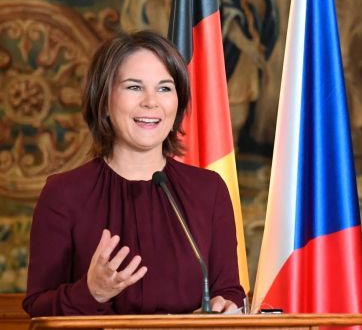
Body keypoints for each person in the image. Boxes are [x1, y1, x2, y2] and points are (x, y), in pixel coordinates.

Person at [23, 31, 245, 316]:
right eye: (134, 87)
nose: (151, 102)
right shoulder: (64, 194)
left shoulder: (208, 190)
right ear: (103, 100)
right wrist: (92, 292)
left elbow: (227, 290)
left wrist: (225, 305)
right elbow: (37, 307)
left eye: (165, 88)